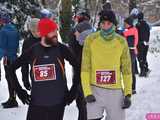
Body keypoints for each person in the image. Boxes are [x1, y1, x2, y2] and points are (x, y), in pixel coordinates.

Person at [9, 18, 79, 120]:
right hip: (36, 104)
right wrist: (20, 92)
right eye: (52, 31)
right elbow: (11, 69)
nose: (56, 34)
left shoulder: (62, 49)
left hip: (57, 104)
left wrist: (73, 91)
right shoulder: (33, 50)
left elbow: (78, 67)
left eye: (56, 30)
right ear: (43, 34)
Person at [81, 10, 132, 120]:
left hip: (115, 92)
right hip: (95, 90)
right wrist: (87, 92)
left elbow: (127, 69)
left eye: (109, 23)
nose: (105, 27)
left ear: (114, 24)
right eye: (103, 23)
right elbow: (85, 68)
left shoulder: (121, 41)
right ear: (99, 24)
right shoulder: (90, 40)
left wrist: (128, 93)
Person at [69, 11, 93, 120]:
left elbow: (71, 49)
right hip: (91, 65)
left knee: (80, 94)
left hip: (78, 64)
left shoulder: (74, 30)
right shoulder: (92, 30)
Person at [0, 11, 20, 108]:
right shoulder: (15, 29)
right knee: (13, 77)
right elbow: (17, 45)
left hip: (7, 58)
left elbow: (2, 47)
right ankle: (12, 98)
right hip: (14, 57)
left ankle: (12, 100)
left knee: (9, 78)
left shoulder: (3, 31)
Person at [21, 18, 40, 91]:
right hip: (35, 75)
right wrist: (25, 80)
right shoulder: (27, 42)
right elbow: (24, 63)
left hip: (50, 75)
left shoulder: (47, 39)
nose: (36, 33)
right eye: (33, 31)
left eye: (38, 30)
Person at [123, 17, 138, 94]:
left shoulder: (132, 30)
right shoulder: (130, 30)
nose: (124, 25)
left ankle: (132, 88)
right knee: (130, 70)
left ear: (128, 23)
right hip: (131, 51)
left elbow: (122, 34)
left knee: (130, 70)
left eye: (125, 23)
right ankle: (131, 88)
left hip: (131, 51)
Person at [136, 12, 150, 77]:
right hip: (146, 43)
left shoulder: (137, 25)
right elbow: (148, 34)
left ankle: (143, 71)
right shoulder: (147, 25)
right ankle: (146, 69)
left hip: (140, 43)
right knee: (144, 57)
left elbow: (136, 35)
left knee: (140, 57)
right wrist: (147, 40)